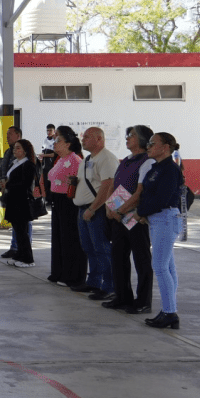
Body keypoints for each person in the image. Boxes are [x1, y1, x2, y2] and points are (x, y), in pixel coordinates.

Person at [103, 125, 155, 315]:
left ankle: (143, 301)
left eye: (131, 136)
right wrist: (110, 207)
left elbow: (141, 192)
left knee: (141, 259)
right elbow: (114, 184)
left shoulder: (147, 161)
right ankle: (122, 296)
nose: (127, 138)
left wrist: (122, 210)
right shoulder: (126, 160)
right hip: (118, 214)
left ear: (142, 139)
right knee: (118, 256)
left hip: (134, 215)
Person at [134, 132, 184, 330]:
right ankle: (168, 310)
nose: (148, 146)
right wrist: (144, 212)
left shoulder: (170, 170)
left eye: (153, 143)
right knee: (168, 267)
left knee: (161, 267)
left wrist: (141, 212)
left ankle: (170, 312)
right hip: (157, 219)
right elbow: (148, 194)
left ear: (165, 147)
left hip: (165, 218)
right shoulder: (157, 167)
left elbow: (162, 198)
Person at [72, 127, 120, 299]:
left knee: (102, 248)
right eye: (83, 137)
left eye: (87, 137)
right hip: (84, 209)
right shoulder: (87, 159)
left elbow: (108, 185)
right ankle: (94, 282)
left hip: (96, 210)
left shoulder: (107, 158)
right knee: (89, 248)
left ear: (99, 139)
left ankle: (109, 286)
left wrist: (93, 209)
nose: (83, 140)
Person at [47, 126, 85, 288]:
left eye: (58, 140)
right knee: (58, 237)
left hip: (68, 201)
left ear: (68, 143)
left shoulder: (75, 159)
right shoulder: (60, 159)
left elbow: (78, 182)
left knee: (69, 238)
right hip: (57, 200)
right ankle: (59, 271)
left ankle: (71, 275)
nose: (54, 144)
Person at [3, 139, 38, 268]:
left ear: (25, 151)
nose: (15, 150)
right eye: (15, 148)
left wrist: (9, 184)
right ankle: (20, 254)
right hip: (13, 200)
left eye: (18, 148)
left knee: (23, 231)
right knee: (17, 231)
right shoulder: (15, 163)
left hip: (21, 202)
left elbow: (25, 184)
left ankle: (28, 258)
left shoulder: (28, 164)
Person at [0, 126, 30, 258]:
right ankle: (14, 247)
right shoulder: (7, 152)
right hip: (9, 192)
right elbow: (2, 170)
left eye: (10, 134)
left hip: (21, 195)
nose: (7, 136)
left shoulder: (26, 154)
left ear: (18, 136)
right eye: (6, 133)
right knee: (15, 223)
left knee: (24, 224)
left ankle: (23, 249)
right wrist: (1, 183)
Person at [38, 124, 57, 206]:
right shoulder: (45, 140)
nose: (49, 132)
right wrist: (41, 156)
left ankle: (51, 200)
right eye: (47, 130)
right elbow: (43, 151)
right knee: (44, 182)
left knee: (51, 182)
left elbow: (53, 154)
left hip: (51, 165)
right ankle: (46, 199)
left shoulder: (55, 140)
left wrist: (44, 155)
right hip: (45, 165)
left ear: (54, 131)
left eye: (50, 130)